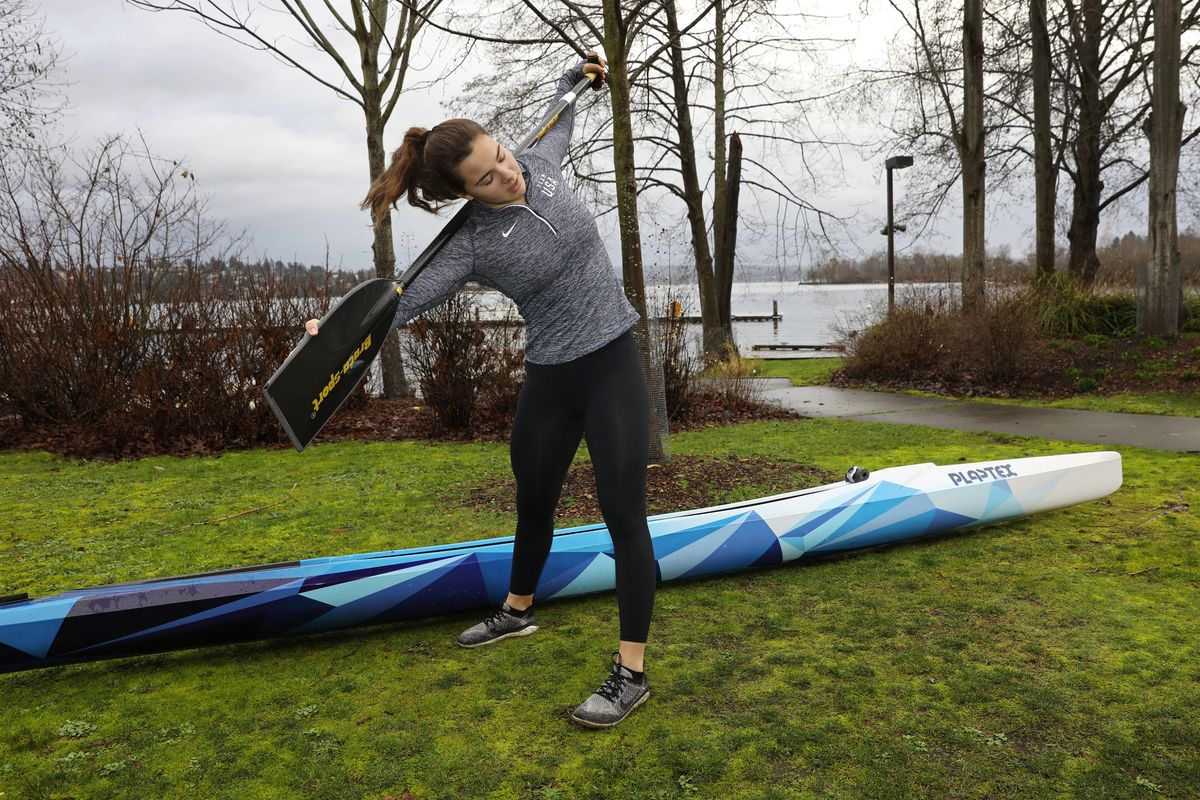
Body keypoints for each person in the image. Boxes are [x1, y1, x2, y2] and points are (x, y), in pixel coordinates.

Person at [304, 53, 655, 729]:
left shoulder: (540, 160)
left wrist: (582, 76)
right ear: (464, 192)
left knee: (622, 511)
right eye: (487, 177)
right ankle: (518, 612)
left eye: (500, 155)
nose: (506, 172)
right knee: (532, 499)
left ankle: (630, 673)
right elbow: (401, 300)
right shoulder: (468, 243)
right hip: (552, 377)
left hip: (613, 362)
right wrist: (337, 331)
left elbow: (562, 110)